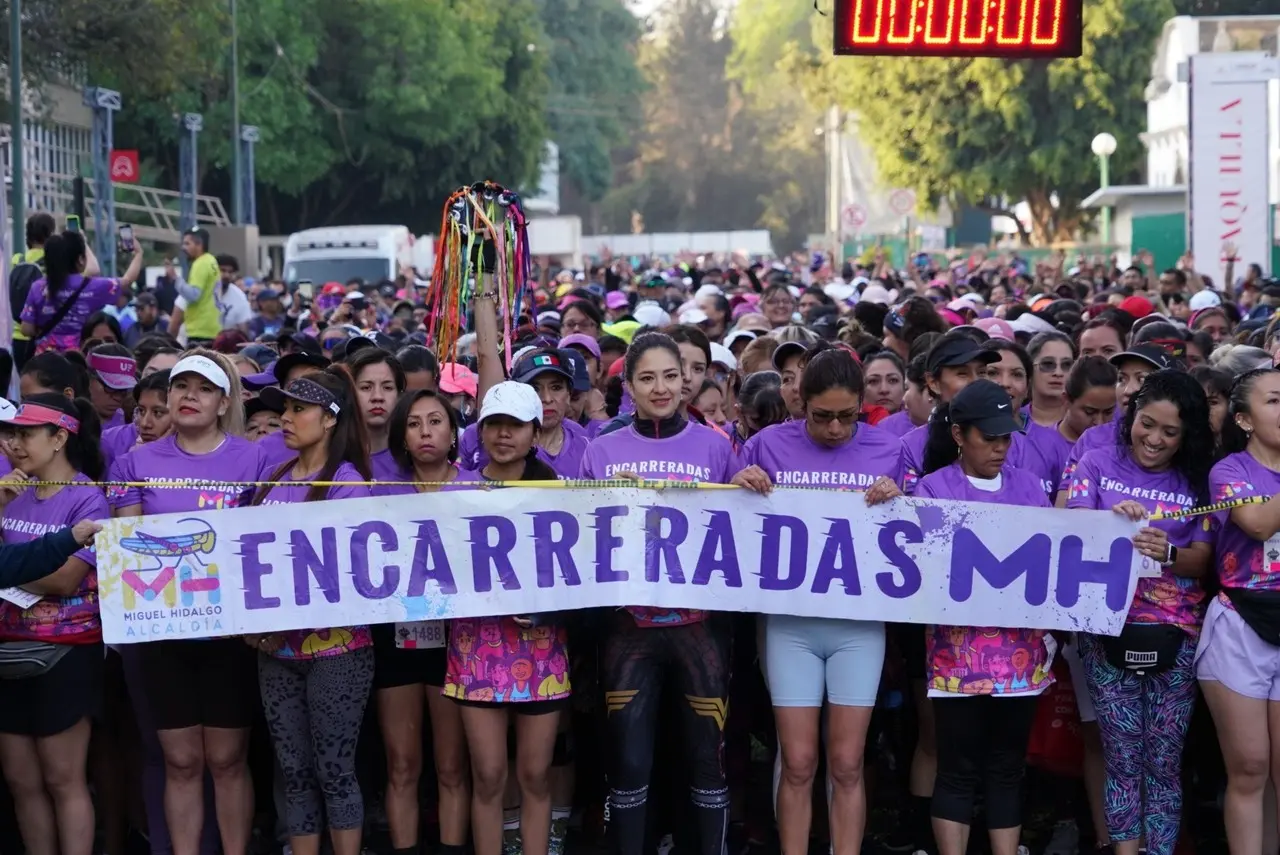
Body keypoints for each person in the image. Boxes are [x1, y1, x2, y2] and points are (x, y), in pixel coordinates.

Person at [732, 348, 903, 855]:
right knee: (800, 760)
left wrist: (900, 495)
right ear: (798, 403)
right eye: (821, 416)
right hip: (791, 626)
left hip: (859, 626)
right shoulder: (765, 445)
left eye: (846, 417)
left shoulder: (887, 449)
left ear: (862, 406)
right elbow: (729, 521)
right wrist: (739, 483)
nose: (833, 428)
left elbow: (919, 530)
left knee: (848, 763)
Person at [578, 333, 739, 855]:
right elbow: (579, 535)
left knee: (706, 757)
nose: (661, 387)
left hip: (701, 627)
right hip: (630, 630)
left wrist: (752, 481)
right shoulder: (601, 450)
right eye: (647, 377)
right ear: (628, 386)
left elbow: (744, 529)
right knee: (628, 762)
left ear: (687, 379)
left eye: (671, 375)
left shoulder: (716, 445)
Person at [109, 351, 268, 855]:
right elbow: (126, 545)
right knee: (180, 762)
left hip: (231, 634)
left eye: (203, 389)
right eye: (181, 387)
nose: (189, 397)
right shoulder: (133, 462)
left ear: (224, 402)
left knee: (226, 759)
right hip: (164, 634)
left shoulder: (255, 458)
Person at [1068, 370, 1214, 855]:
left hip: (1177, 635)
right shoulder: (1094, 462)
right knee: (1123, 759)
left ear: (1187, 435)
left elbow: (1202, 558)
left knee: (1165, 763)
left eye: (1170, 433)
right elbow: (1069, 536)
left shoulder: (1198, 482)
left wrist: (1168, 553)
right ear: (1131, 415)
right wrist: (1109, 522)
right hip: (1107, 630)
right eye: (1146, 424)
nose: (1154, 439)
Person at [915, 380, 1056, 855]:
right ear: (959, 434)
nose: (1000, 447)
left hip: (1022, 659)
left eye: (1006, 436)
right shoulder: (932, 489)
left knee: (1006, 767)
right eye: (988, 437)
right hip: (956, 659)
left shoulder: (1030, 486)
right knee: (957, 768)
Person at [248, 368, 376, 855]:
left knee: (334, 771)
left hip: (337, 650)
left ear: (329, 419)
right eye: (285, 408)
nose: (285, 417)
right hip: (274, 649)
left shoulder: (348, 484)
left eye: (298, 408)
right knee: (294, 773)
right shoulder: (274, 477)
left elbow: (344, 576)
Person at [446, 381, 571, 855]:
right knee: (489, 774)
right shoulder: (457, 489)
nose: (503, 434)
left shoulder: (560, 491)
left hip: (542, 650)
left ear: (534, 433)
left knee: (536, 774)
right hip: (475, 648)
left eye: (515, 425)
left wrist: (547, 609)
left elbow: (581, 575)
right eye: (494, 424)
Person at [0, 395, 109, 855]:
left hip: (66, 650)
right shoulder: (9, 491)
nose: (14, 444)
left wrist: (8, 566)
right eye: (11, 435)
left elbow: (67, 579)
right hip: (7, 651)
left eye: (26, 434)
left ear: (60, 437)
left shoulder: (88, 498)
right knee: (21, 780)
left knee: (63, 778)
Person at [372, 390, 479, 855]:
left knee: (453, 766)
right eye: (414, 424)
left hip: (458, 642)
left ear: (453, 432)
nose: (425, 432)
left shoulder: (478, 489)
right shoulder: (377, 494)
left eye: (435, 421)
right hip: (394, 642)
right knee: (401, 765)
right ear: (402, 437)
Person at [1197, 367, 1280, 853]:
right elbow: (1256, 524)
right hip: (1240, 625)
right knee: (1250, 766)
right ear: (1244, 419)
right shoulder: (1229, 471)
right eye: (1274, 401)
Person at [20, 231, 143, 354]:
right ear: (80, 259)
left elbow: (26, 329)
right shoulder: (92, 286)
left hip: (44, 358)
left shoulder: (37, 287)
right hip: (79, 359)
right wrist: (138, 253)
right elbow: (127, 280)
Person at [346, 348, 406, 481]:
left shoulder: (414, 457)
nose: (377, 397)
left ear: (399, 395)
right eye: (366, 388)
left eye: (387, 387)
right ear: (350, 393)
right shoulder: (332, 458)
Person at [168, 229, 220, 346]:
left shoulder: (200, 263)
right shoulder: (211, 261)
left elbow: (193, 295)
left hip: (199, 330)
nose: (183, 248)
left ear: (199, 244)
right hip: (212, 328)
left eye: (187, 243)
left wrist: (175, 279)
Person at [1026, 331, 1076, 427]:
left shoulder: (1084, 423)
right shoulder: (1012, 421)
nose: (1058, 373)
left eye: (1066, 365)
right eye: (1048, 364)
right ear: (1029, 368)